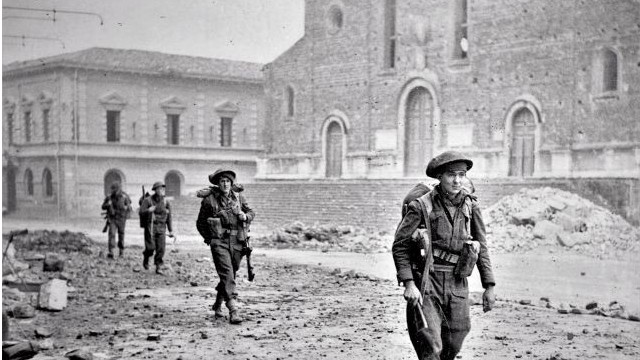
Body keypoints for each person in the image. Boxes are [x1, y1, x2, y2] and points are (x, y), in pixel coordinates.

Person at [392, 151, 496, 360]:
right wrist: (409, 284)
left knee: (456, 339)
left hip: (457, 281)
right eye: (451, 175)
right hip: (428, 281)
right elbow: (400, 246)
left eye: (461, 174)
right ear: (439, 177)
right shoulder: (421, 206)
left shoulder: (471, 205)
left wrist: (489, 286)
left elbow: (481, 246)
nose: (457, 180)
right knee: (431, 345)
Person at [196, 169, 255, 324]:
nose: (225, 184)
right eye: (222, 181)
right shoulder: (209, 200)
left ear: (231, 183)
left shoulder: (239, 197)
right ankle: (233, 309)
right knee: (227, 273)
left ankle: (217, 304)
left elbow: (251, 212)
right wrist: (210, 238)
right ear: (218, 183)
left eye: (228, 181)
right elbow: (200, 223)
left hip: (237, 242)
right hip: (219, 242)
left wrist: (245, 216)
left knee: (231, 273)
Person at [139, 181, 174, 274]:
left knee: (161, 249)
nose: (161, 190)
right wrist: (148, 210)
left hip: (162, 227)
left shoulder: (166, 202)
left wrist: (171, 230)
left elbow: (169, 217)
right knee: (150, 248)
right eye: (159, 188)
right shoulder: (148, 200)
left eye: (162, 188)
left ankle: (158, 266)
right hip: (150, 227)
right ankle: (146, 257)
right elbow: (141, 212)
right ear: (155, 190)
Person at [101, 182, 132, 259]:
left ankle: (121, 251)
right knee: (112, 234)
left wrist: (126, 208)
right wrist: (108, 204)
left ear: (118, 189)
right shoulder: (109, 197)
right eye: (112, 189)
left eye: (114, 189)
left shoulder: (125, 197)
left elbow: (129, 207)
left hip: (121, 218)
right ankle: (111, 251)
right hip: (113, 218)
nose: (113, 191)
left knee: (121, 234)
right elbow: (103, 206)